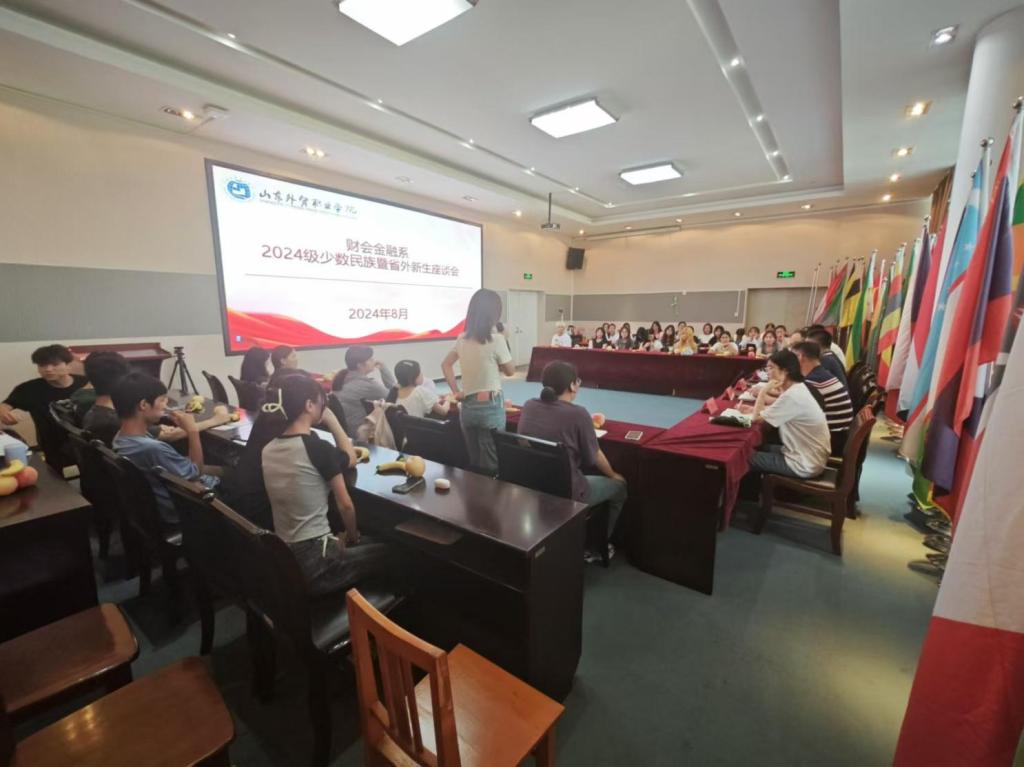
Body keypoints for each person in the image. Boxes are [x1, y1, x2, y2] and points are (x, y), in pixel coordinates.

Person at [262, 375, 398, 596]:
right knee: (392, 551)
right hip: (319, 563)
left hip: (285, 559)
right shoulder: (318, 449)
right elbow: (346, 504)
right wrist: (353, 538)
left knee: (372, 544)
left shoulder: (268, 449)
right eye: (321, 401)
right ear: (309, 405)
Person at [517, 361, 627, 562]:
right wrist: (613, 475)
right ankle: (597, 548)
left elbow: (523, 442)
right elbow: (593, 457)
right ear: (572, 385)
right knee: (619, 488)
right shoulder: (578, 414)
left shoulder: (529, 405)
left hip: (533, 485)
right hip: (568, 491)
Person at [112, 373, 224, 523]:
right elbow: (196, 472)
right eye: (162, 400)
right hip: (183, 511)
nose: (166, 406)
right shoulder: (152, 449)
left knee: (221, 468)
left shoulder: (120, 437)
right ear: (143, 405)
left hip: (151, 509)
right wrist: (192, 430)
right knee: (237, 475)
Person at [441, 288, 514, 474]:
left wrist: (456, 392)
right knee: (491, 462)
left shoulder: (462, 339)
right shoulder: (497, 340)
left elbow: (446, 365)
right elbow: (510, 371)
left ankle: (475, 491)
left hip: (468, 406)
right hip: (490, 406)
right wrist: (505, 339)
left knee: (474, 460)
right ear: (494, 314)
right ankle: (490, 492)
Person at [745, 350, 831, 479]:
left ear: (785, 371)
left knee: (742, 458)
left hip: (803, 464)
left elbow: (756, 419)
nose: (767, 372)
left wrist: (763, 392)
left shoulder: (792, 395)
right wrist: (754, 409)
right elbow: (775, 410)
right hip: (808, 454)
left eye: (771, 368)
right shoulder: (798, 388)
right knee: (759, 446)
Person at [1, 344, 87, 463]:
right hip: (52, 446)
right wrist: (4, 414)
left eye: (55, 364)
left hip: (85, 443)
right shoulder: (29, 388)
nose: (48, 369)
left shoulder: (86, 383)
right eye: (42, 365)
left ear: (68, 365)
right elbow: (4, 406)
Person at [791, 341, 854, 456]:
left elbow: (791, 407)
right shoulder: (821, 375)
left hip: (829, 441)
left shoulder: (814, 381)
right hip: (837, 435)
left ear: (800, 357)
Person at [330, 346, 396, 437]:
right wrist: (383, 369)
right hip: (358, 435)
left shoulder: (342, 377)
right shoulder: (368, 385)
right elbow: (394, 395)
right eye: (370, 359)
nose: (374, 361)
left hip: (341, 432)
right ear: (359, 365)